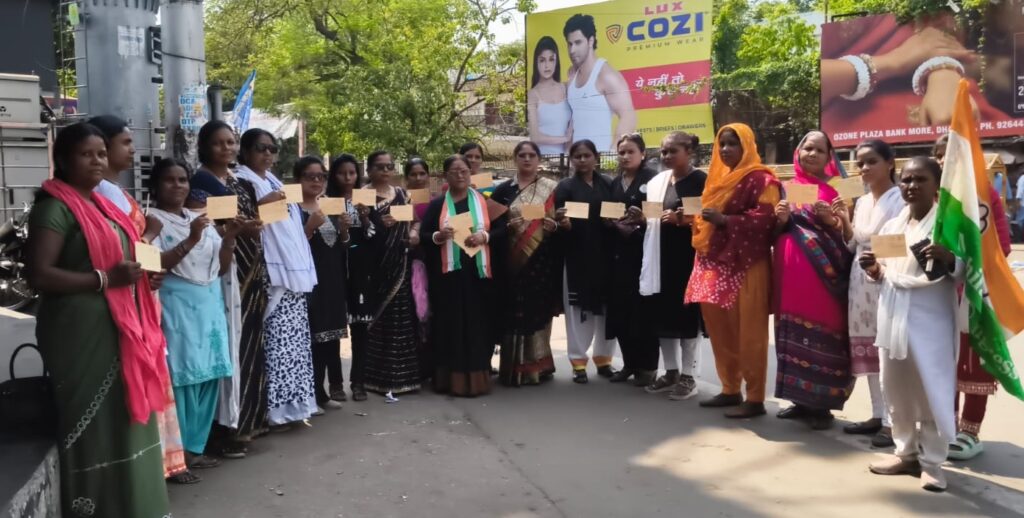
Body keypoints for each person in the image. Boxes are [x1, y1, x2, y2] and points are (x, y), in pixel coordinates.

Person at [26, 122, 171, 517]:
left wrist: (144, 278)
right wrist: (106, 280)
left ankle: (135, 506)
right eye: (86, 154)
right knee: (93, 424)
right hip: (80, 334)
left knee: (125, 419)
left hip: (122, 328)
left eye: (101, 154)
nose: (96, 161)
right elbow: (39, 274)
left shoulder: (103, 206)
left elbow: (124, 259)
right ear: (63, 160)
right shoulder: (54, 207)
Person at [88, 114, 189, 482]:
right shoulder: (102, 193)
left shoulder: (116, 190)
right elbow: (119, 247)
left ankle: (161, 461)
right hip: (126, 298)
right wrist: (150, 236)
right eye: (126, 143)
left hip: (142, 291)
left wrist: (151, 268)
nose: (133, 150)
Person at [863, 157, 963, 492]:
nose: (911, 186)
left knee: (932, 387)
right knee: (896, 387)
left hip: (931, 320)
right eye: (906, 180)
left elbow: (971, 268)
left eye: (920, 179)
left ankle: (933, 463)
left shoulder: (948, 226)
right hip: (893, 316)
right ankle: (905, 453)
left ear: (936, 186)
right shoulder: (893, 225)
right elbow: (885, 273)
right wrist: (873, 269)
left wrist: (951, 259)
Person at [148, 158, 239, 472]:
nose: (177, 186)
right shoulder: (152, 220)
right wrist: (191, 240)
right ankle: (179, 455)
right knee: (182, 379)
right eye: (169, 180)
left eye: (183, 180)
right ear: (155, 186)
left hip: (209, 306)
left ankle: (195, 448)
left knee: (209, 376)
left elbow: (220, 268)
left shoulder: (199, 219)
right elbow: (153, 263)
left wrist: (229, 238)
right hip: (177, 307)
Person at [686, 124, 780, 418]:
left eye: (733, 143)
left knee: (749, 331)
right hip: (715, 262)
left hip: (747, 263)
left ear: (747, 146)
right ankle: (729, 388)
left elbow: (766, 221)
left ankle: (755, 398)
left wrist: (726, 221)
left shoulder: (762, 180)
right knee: (720, 328)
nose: (725, 149)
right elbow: (705, 217)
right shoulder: (717, 179)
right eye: (722, 143)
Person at [190, 120, 268, 458]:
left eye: (231, 142)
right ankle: (225, 430)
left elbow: (253, 219)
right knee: (230, 347)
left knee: (250, 345)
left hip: (252, 268)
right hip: (223, 271)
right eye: (219, 143)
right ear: (205, 147)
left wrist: (253, 226)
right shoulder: (199, 183)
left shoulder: (240, 182)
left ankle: (250, 420)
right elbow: (199, 228)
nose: (227, 148)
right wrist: (232, 232)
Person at [933, 136, 1013, 460]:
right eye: (940, 156)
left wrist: (962, 262)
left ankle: (969, 431)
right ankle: (946, 427)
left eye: (951, 155)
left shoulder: (985, 196)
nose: (944, 161)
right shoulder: (929, 193)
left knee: (974, 361)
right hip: (935, 294)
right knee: (942, 363)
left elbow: (1001, 246)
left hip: (974, 293)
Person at [234, 129, 319, 427]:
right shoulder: (242, 180)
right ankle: (275, 411)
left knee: (295, 346)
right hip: (273, 271)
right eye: (261, 148)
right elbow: (249, 219)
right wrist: (267, 203)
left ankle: (297, 408)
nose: (268, 154)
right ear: (245, 151)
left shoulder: (273, 180)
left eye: (273, 148)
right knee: (278, 346)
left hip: (292, 271)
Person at [773, 131, 855, 430]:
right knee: (791, 333)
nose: (812, 154)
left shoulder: (841, 187)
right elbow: (774, 232)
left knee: (827, 332)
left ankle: (822, 407)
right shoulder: (786, 188)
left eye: (820, 150)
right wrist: (780, 220)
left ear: (829, 157)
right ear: (798, 152)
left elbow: (855, 234)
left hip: (826, 279)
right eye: (808, 148)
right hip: (790, 279)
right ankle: (799, 400)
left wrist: (831, 221)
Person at [420, 154, 503, 396]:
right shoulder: (438, 205)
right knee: (450, 326)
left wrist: (484, 236)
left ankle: (477, 378)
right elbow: (424, 236)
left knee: (477, 326)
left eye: (464, 170)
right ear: (445, 176)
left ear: (470, 173)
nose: (460, 175)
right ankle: (448, 380)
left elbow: (502, 230)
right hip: (448, 279)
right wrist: (438, 236)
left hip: (478, 276)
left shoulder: (484, 202)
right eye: (454, 171)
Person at [841, 140, 904, 447]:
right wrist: (842, 220)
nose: (864, 168)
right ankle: (878, 414)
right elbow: (854, 242)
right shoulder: (864, 202)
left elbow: (900, 243)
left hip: (886, 276)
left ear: (890, 163)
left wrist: (879, 263)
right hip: (859, 279)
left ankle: (894, 422)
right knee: (867, 349)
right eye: (860, 163)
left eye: (871, 161)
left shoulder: (901, 199)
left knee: (888, 352)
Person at [640, 132, 706, 400]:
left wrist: (683, 221)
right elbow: (653, 215)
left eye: (672, 151)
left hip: (688, 260)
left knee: (687, 320)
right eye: (663, 151)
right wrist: (641, 216)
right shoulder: (659, 182)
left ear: (689, 151)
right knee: (663, 318)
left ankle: (689, 377)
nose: (666, 156)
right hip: (660, 259)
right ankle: (671, 372)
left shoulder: (701, 180)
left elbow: (705, 216)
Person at [491, 141, 562, 386]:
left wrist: (555, 226)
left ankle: (539, 366)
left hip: (541, 260)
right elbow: (491, 225)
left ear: (539, 159)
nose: (527, 159)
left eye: (532, 155)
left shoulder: (552, 188)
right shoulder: (502, 190)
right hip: (511, 261)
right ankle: (513, 367)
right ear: (515, 158)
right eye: (522, 155)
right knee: (513, 312)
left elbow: (562, 220)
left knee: (538, 311)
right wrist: (506, 227)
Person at [357, 150, 422, 396]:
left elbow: (415, 221)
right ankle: (374, 379)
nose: (385, 171)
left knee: (400, 320)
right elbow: (355, 231)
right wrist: (372, 222)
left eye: (389, 166)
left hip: (399, 264)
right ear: (370, 170)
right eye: (380, 166)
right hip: (372, 267)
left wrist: (414, 233)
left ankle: (404, 379)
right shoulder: (362, 196)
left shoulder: (402, 194)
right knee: (377, 321)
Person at [554, 139, 618, 383]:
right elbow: (559, 221)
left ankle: (604, 360)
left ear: (596, 157)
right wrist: (563, 223)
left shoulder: (608, 184)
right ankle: (578, 362)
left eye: (586, 155)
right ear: (572, 160)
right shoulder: (565, 187)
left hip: (606, 256)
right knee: (578, 311)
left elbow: (616, 214)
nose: (582, 160)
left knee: (605, 311)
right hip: (577, 257)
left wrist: (613, 222)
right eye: (577, 156)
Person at [296, 156, 350, 413]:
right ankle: (310, 395)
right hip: (308, 282)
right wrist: (309, 226)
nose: (317, 181)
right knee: (312, 339)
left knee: (330, 338)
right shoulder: (292, 209)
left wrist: (344, 230)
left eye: (321, 176)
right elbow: (289, 247)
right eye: (310, 176)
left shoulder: (330, 205)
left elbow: (343, 246)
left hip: (333, 279)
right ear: (298, 179)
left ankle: (323, 393)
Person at [604, 133, 659, 386]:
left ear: (643, 154)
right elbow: (609, 211)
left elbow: (659, 213)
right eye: (622, 152)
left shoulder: (653, 180)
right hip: (618, 255)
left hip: (643, 254)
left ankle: (647, 368)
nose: (625, 156)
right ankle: (629, 364)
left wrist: (643, 219)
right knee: (621, 311)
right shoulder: (615, 183)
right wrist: (608, 220)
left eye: (630, 152)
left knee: (643, 312)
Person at [327, 154, 371, 401]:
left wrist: (365, 217)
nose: (347, 177)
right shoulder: (327, 201)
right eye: (342, 173)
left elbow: (373, 236)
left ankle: (359, 382)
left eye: (352, 173)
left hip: (360, 269)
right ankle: (335, 383)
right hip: (333, 268)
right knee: (334, 327)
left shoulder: (365, 199)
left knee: (360, 327)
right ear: (334, 175)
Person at [563, 14, 636, 151]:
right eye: (569, 44)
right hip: (576, 159)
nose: (572, 50)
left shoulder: (606, 75)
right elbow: (574, 121)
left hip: (600, 158)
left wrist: (611, 155)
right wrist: (567, 154)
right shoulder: (572, 77)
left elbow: (628, 116)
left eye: (578, 43)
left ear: (590, 41)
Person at [404, 157, 433, 381]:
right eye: (413, 174)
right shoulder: (400, 199)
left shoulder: (437, 200)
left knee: (429, 314)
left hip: (431, 261)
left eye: (422, 173)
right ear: (406, 178)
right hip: (405, 262)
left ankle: (429, 366)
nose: (418, 178)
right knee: (411, 314)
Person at [528, 36, 572, 155]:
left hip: (566, 159)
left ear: (556, 61)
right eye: (542, 60)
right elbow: (535, 137)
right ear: (536, 62)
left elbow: (576, 118)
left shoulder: (566, 88)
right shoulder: (533, 94)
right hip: (542, 159)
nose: (547, 65)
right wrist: (564, 138)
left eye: (551, 59)